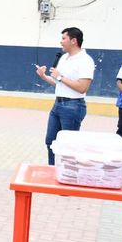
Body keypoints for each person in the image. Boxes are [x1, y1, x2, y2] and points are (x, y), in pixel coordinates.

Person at [35, 27, 95, 165]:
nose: (61, 42)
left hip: (73, 106)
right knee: (51, 142)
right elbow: (58, 83)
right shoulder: (64, 58)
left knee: (68, 146)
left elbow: (82, 88)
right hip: (57, 105)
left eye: (64, 38)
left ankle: (68, 173)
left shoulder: (85, 60)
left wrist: (60, 77)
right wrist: (44, 76)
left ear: (73, 41)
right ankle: (53, 170)